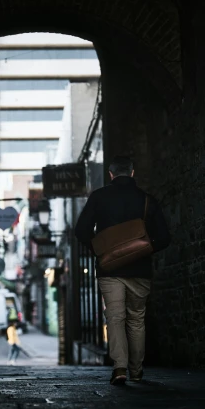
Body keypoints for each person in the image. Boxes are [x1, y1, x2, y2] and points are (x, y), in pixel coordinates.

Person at [75, 155, 171, 385]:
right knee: (136, 319)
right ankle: (136, 370)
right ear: (132, 173)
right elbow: (164, 238)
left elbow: (81, 231)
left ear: (110, 174)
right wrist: (144, 250)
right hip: (140, 269)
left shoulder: (98, 197)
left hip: (110, 270)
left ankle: (119, 367)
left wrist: (99, 249)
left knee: (115, 317)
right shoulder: (147, 200)